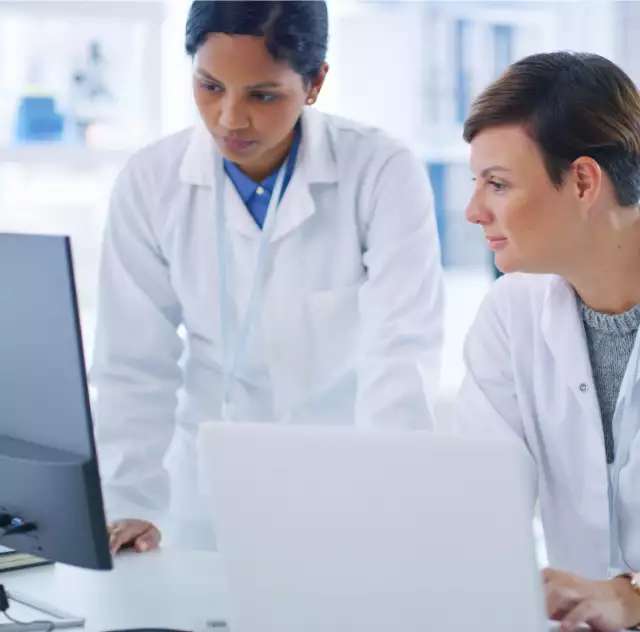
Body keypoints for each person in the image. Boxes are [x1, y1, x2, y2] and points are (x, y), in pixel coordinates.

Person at [93, 0, 444, 556]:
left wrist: (392, 496)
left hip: (346, 488)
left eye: (262, 95)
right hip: (203, 495)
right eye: (210, 87)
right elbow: (133, 365)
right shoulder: (150, 181)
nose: (230, 119)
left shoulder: (380, 171)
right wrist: (128, 502)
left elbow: (400, 354)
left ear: (315, 83)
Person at [458, 51, 640, 632]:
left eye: (498, 184)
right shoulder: (511, 315)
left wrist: (632, 600)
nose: (473, 210)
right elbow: (479, 512)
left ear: (583, 180)